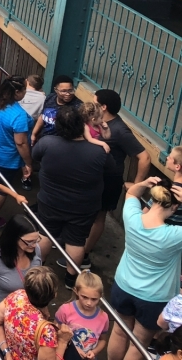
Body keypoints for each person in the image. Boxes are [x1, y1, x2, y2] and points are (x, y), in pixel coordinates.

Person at [33, 106, 117, 284]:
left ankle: (37, 269)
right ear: (83, 124)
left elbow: (35, 156)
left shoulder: (47, 143)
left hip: (50, 201)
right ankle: (71, 279)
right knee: (76, 241)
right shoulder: (99, 152)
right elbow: (112, 170)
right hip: (83, 207)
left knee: (45, 234)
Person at [108, 179, 182, 360]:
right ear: (173, 207)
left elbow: (132, 193)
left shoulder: (131, 217)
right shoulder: (174, 235)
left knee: (119, 331)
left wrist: (145, 183)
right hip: (153, 298)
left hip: (123, 285)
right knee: (139, 342)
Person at [82, 89, 150, 267]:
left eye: (95, 102)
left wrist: (136, 185)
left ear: (103, 107)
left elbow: (144, 157)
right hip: (94, 177)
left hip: (109, 180)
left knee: (98, 216)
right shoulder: (97, 122)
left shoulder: (119, 130)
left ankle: (83, 255)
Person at [0, 77, 33, 230]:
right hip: (6, 157)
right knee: (0, 187)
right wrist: (28, 162)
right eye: (24, 91)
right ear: (17, 92)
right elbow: (21, 143)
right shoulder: (18, 115)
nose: (25, 94)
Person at [0, 267, 72, 360]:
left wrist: (6, 352)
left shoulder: (16, 297)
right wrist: (62, 342)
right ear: (54, 295)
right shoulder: (46, 332)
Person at [56, 271, 110, 360]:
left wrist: (94, 352)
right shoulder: (65, 310)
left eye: (94, 299)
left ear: (100, 296)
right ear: (76, 291)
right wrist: (73, 348)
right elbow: (55, 332)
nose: (89, 303)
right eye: (84, 297)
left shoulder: (103, 317)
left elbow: (102, 340)